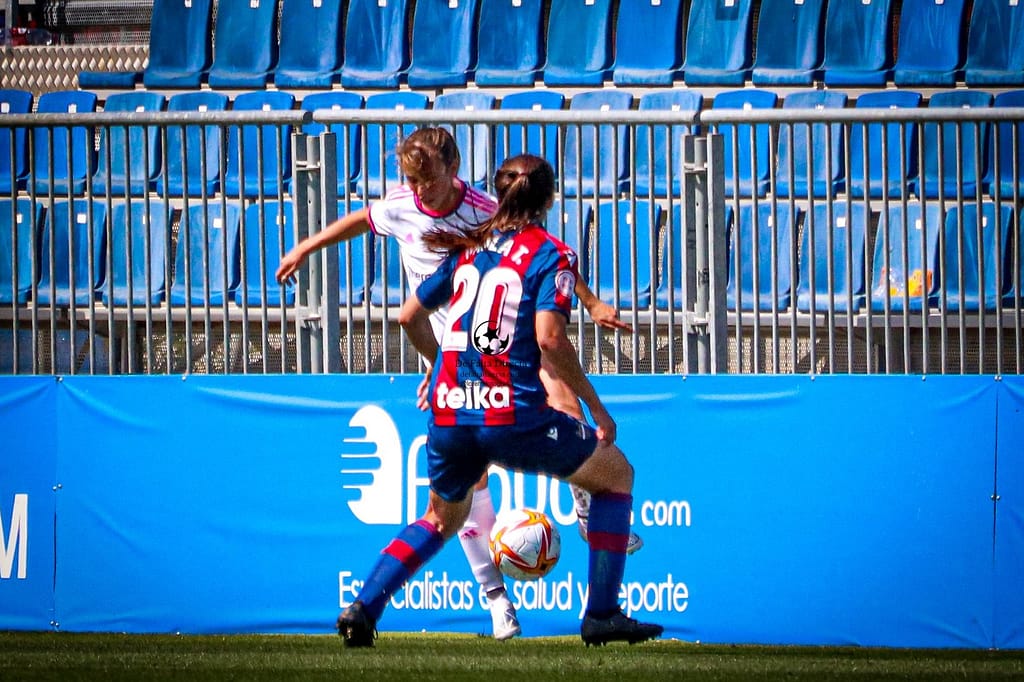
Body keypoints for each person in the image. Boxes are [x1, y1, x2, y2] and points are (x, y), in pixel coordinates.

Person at [276, 128, 641, 642]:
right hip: (508, 409)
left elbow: (407, 315)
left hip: (450, 402)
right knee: (616, 472)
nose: (420, 191)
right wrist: (599, 407)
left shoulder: (471, 245)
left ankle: (363, 608)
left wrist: (441, 363)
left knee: (440, 518)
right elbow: (551, 339)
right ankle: (602, 611)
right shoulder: (547, 249)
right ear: (550, 199)